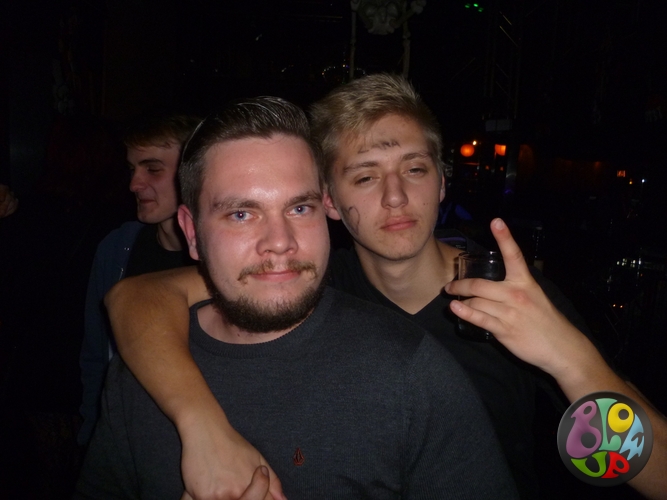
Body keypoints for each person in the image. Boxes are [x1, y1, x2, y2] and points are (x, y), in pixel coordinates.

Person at [105, 76, 667, 499]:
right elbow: (136, 298)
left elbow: (645, 474)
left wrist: (572, 359)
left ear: (442, 182)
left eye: (415, 169)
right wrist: (200, 423)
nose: (396, 197)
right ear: (328, 200)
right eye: (366, 175)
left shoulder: (508, 293)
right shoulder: (302, 281)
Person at [75, 97, 517, 499]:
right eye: (242, 213)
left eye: (299, 208)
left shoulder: (412, 373)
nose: (280, 242)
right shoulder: (141, 375)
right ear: (191, 232)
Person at [78, 114, 200, 445]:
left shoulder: (222, 257)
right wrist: (92, 435)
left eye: (153, 169)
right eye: (132, 169)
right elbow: (97, 356)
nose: (134, 184)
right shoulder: (117, 248)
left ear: (194, 171)